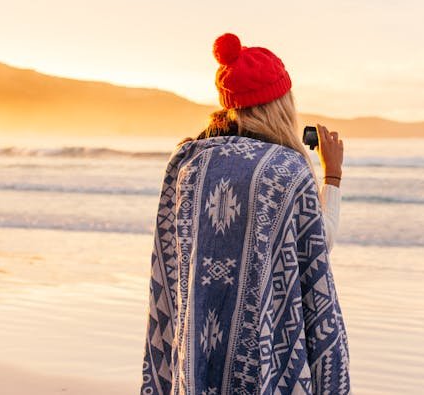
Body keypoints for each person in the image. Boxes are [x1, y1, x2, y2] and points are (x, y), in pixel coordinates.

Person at [140, 32, 350, 395]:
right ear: (280, 104)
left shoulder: (190, 163)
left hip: (198, 342)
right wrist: (331, 176)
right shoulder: (284, 169)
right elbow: (317, 246)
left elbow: (174, 257)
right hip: (261, 349)